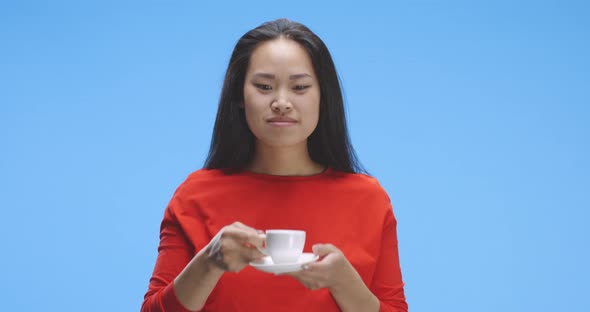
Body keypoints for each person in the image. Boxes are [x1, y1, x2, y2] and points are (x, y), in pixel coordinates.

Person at [141, 18, 408, 312]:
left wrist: (346, 283)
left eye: (300, 87)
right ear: (240, 96)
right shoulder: (194, 196)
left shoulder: (368, 200)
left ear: (323, 97)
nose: (281, 102)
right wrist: (209, 263)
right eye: (265, 86)